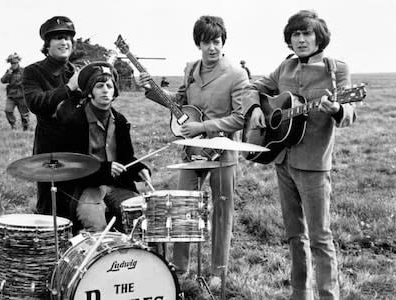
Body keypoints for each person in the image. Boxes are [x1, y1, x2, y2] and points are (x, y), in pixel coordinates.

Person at [139, 15, 261, 289]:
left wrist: (203, 126)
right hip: (191, 152)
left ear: (223, 43)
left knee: (221, 212)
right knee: (183, 208)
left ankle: (218, 271)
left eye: (216, 42)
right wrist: (151, 91)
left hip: (223, 153)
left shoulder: (236, 74)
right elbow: (178, 105)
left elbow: (240, 117)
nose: (212, 48)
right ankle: (179, 268)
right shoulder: (190, 69)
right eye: (206, 42)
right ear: (199, 44)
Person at [251, 10, 357, 300]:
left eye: (306, 33)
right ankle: (300, 294)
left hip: (313, 164)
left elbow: (350, 111)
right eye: (295, 34)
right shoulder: (285, 67)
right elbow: (255, 88)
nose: (300, 39)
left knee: (320, 238)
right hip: (282, 159)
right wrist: (258, 109)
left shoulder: (335, 68)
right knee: (294, 234)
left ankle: (327, 295)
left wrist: (337, 109)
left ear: (318, 37)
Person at [55, 61, 151, 233]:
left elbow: (127, 157)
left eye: (109, 86)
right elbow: (72, 166)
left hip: (118, 186)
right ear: (90, 92)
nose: (105, 90)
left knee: (140, 221)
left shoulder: (120, 121)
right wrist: (104, 170)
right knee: (96, 227)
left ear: (115, 91)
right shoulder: (74, 122)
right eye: (99, 86)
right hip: (87, 187)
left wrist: (140, 169)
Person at [22, 16, 82, 227]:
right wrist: (69, 88)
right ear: (47, 45)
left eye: (67, 38)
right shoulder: (33, 71)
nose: (64, 42)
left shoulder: (76, 71)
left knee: (79, 207)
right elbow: (37, 103)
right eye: (58, 38)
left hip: (80, 150)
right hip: (50, 151)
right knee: (51, 212)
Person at [1, 53, 30, 130]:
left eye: (15, 63)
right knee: (8, 111)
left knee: (24, 114)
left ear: (18, 62)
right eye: (12, 63)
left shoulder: (24, 71)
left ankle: (25, 127)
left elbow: (30, 81)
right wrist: (8, 74)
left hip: (22, 96)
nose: (14, 64)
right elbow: (3, 80)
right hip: (11, 96)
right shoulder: (9, 72)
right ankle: (13, 125)